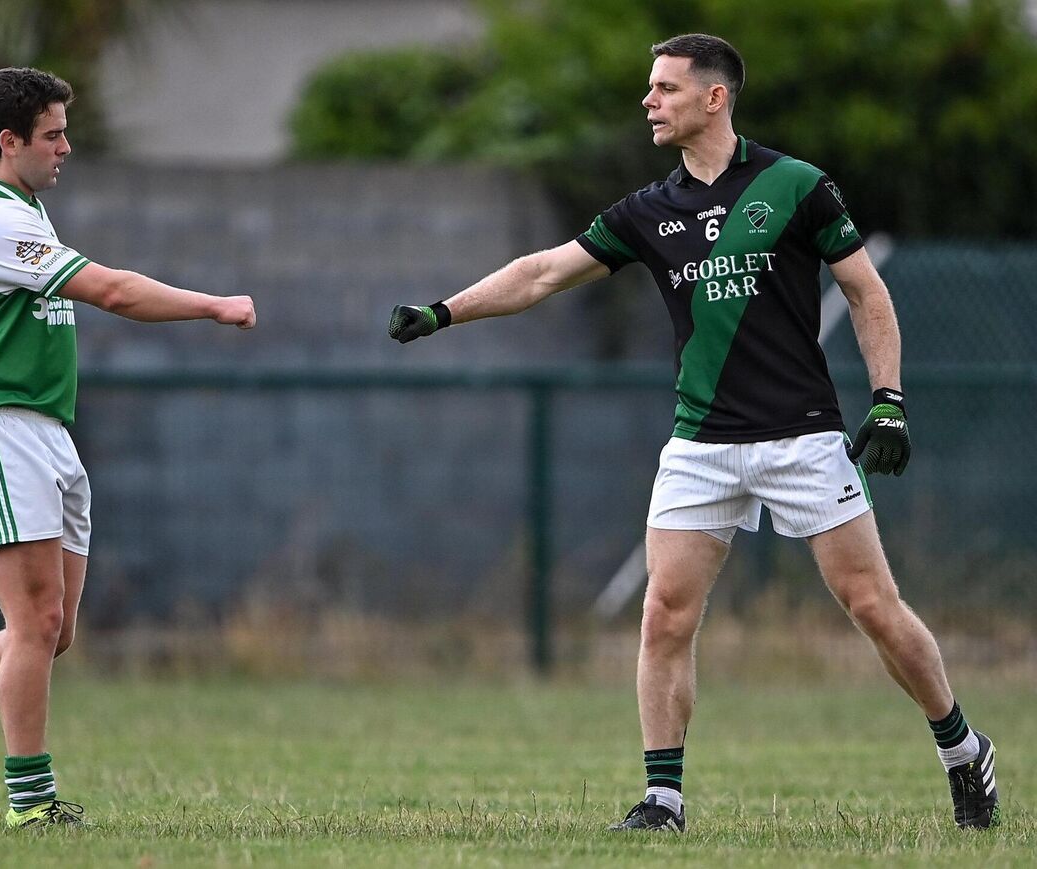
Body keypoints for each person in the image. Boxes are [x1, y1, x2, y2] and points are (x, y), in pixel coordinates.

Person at [388, 34, 998, 833]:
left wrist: (887, 400)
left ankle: (961, 747)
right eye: (650, 88)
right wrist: (443, 311)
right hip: (700, 443)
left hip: (802, 439)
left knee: (872, 606)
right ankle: (663, 801)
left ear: (715, 98)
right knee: (665, 614)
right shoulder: (649, 210)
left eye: (665, 88)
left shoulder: (795, 185)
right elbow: (540, 272)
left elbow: (866, 293)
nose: (649, 101)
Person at [0, 67, 256, 829]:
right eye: (52, 135)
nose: (65, 147)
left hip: (42, 429)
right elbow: (111, 290)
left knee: (50, 631)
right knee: (36, 623)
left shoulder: (26, 209)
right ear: (8, 142)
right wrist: (212, 304)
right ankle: (30, 802)